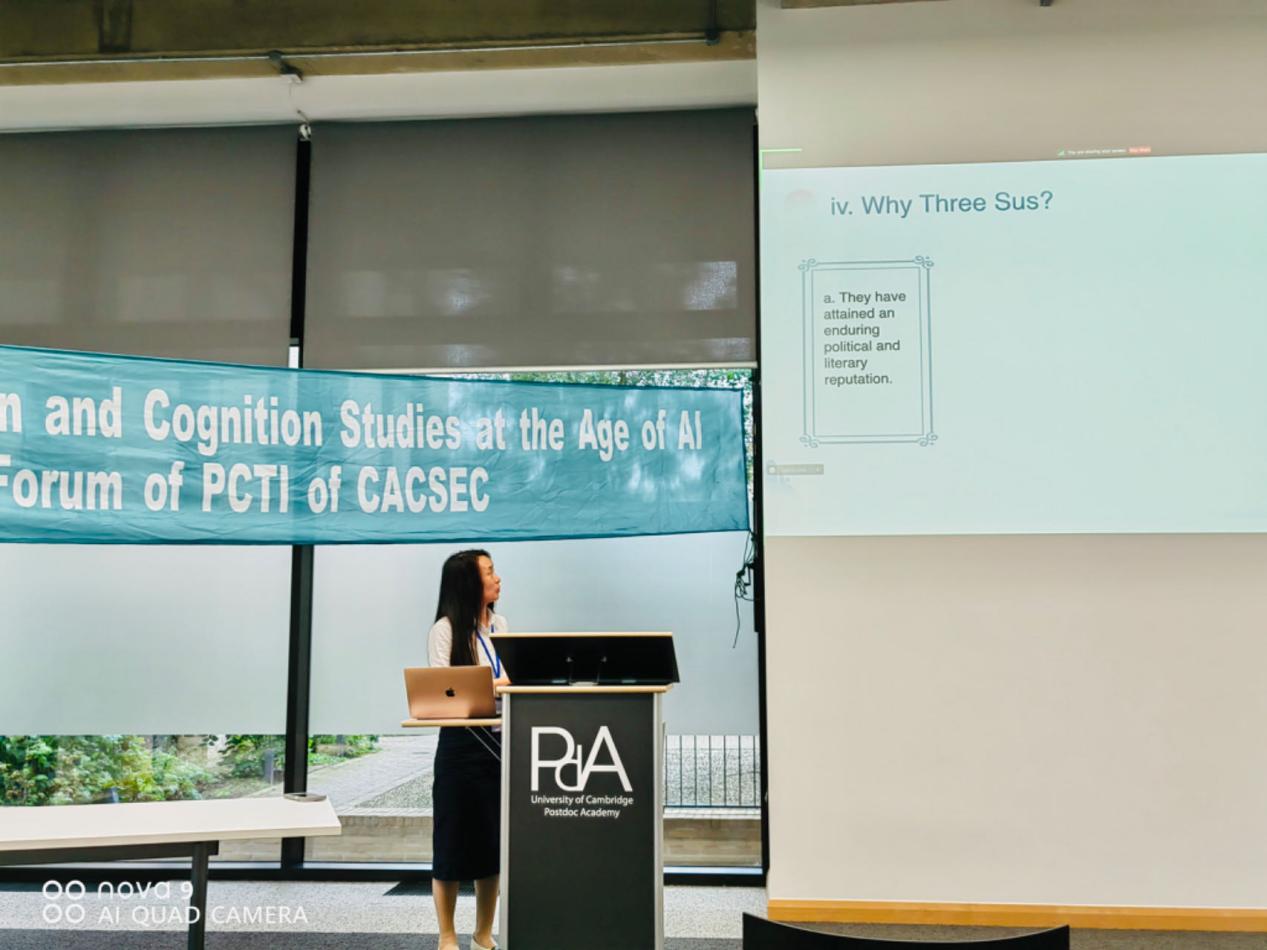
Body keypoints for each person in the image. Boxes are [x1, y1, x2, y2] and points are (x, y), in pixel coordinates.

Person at [427, 549, 509, 950]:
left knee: (491, 845)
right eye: (489, 572)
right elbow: (444, 690)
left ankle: (483, 934)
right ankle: (446, 935)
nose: (497, 579)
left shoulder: (501, 625)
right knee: (451, 842)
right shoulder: (444, 630)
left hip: (499, 743)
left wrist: (498, 687)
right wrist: (496, 686)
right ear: (468, 584)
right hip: (461, 745)